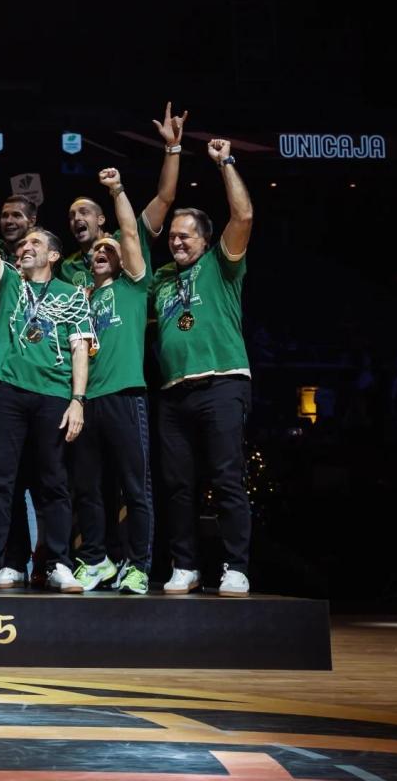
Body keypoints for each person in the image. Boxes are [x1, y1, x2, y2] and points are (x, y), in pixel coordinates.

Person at [0, 158, 93, 595]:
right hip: (9, 393)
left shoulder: (72, 294)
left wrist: (77, 401)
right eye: (22, 245)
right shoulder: (10, 282)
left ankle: (56, 562)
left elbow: (79, 349)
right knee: (0, 479)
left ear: (53, 254)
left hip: (54, 395)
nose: (24, 248)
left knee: (53, 481)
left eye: (34, 242)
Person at [152, 139, 255, 597]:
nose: (176, 241)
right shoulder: (161, 280)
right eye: (172, 235)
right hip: (173, 392)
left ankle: (235, 566)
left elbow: (244, 217)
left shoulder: (222, 264)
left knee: (227, 478)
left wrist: (226, 163)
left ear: (205, 239)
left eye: (184, 235)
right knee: (176, 486)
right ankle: (186, 566)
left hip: (222, 383)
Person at [68, 169, 155, 595]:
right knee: (87, 487)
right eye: (96, 251)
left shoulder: (134, 287)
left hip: (124, 395)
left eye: (109, 247)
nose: (101, 251)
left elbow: (129, 233)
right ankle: (97, 560)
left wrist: (117, 189)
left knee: (134, 487)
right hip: (89, 402)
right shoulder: (81, 300)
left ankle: (138, 566)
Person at [59, 103, 187, 291]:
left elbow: (165, 198)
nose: (76, 218)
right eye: (71, 216)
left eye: (84, 212)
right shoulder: (68, 268)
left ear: (101, 219)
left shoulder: (131, 237)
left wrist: (173, 147)